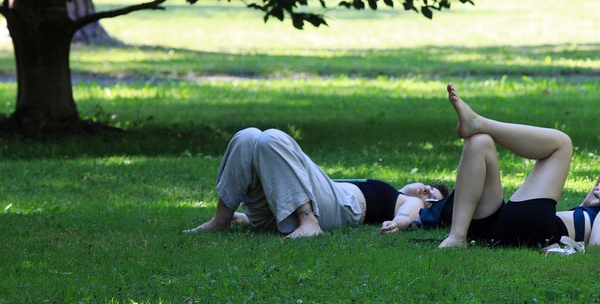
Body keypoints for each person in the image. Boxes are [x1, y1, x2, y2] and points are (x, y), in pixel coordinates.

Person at [438, 83, 600, 249]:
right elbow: (588, 228)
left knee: (561, 144)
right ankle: (457, 236)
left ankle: (479, 122)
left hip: (536, 229)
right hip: (504, 225)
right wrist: (586, 207)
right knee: (480, 143)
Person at [185, 127, 449, 238]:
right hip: (281, 211)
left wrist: (398, 223)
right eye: (427, 186)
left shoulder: (407, 200)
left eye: (431, 197)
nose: (425, 191)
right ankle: (222, 219)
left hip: (340, 206)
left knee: (271, 139)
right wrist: (246, 218)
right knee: (247, 136)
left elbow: (410, 212)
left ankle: (309, 223)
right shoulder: (393, 188)